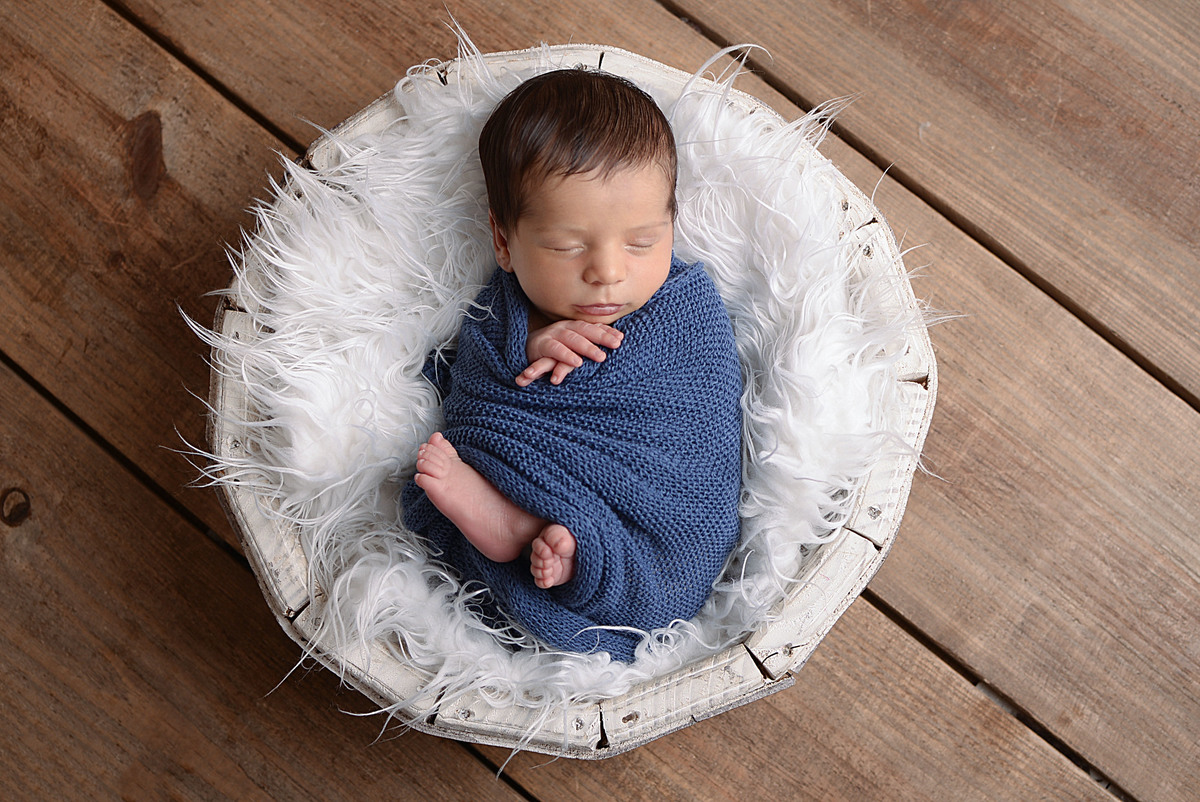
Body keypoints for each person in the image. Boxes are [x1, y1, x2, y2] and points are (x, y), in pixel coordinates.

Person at [401, 68, 743, 661]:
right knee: (470, 465)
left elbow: (697, 422)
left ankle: (561, 545)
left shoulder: (686, 312)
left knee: (667, 559)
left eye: (642, 242)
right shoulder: (504, 312)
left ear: (672, 223)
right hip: (539, 477)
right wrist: (529, 346)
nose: (608, 272)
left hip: (657, 517)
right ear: (504, 242)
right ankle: (520, 527)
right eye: (566, 246)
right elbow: (474, 382)